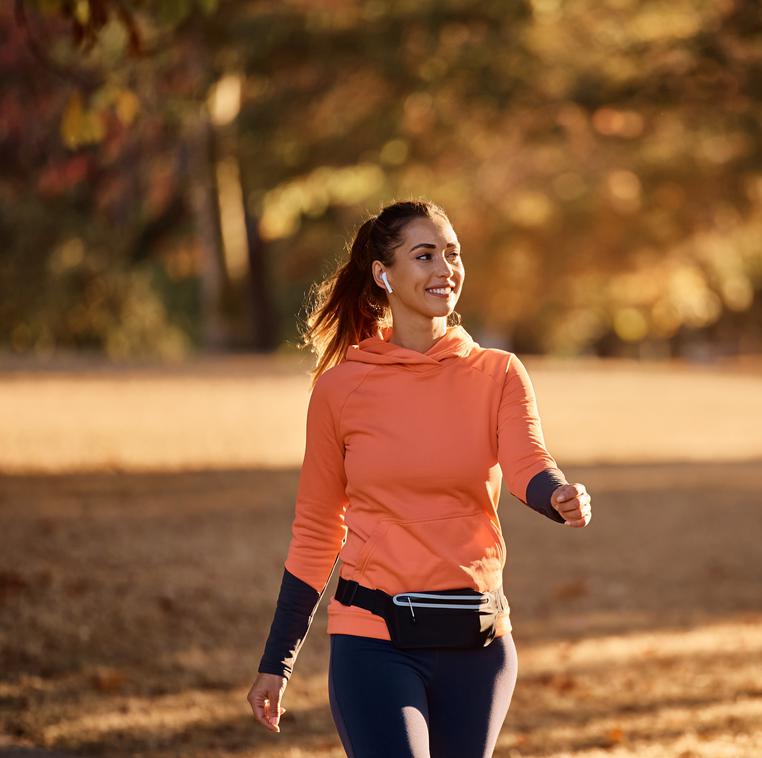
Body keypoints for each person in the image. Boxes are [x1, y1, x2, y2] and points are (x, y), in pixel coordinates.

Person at [245, 199, 593, 757]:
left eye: (452, 255)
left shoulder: (498, 373)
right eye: (425, 255)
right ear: (384, 274)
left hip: (477, 640)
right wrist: (277, 662)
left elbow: (528, 461)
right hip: (374, 640)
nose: (444, 269)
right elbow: (316, 529)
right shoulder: (341, 389)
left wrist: (558, 496)